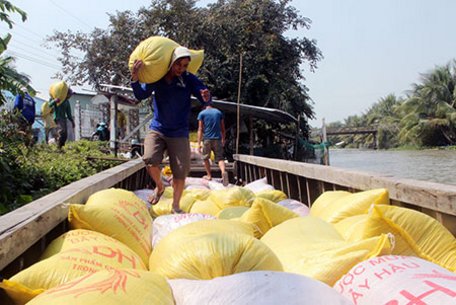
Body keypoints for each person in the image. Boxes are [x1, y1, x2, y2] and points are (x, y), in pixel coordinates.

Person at [131, 46, 211, 213]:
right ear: (171, 62)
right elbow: (141, 95)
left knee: (181, 172)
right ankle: (160, 186)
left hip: (179, 132)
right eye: (178, 65)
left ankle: (175, 205)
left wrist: (205, 96)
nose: (181, 69)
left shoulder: (188, 79)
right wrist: (135, 76)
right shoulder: (158, 78)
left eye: (184, 66)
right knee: (150, 158)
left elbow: (202, 93)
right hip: (158, 128)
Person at [197, 103, 228, 186]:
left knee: (205, 158)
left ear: (204, 106)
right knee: (220, 158)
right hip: (217, 139)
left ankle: (209, 175)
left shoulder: (202, 113)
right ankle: (223, 172)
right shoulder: (218, 112)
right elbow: (223, 128)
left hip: (207, 139)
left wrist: (199, 143)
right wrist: (223, 139)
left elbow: (200, 129)